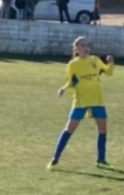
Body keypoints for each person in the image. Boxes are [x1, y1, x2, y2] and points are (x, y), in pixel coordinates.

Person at [48, 37, 114, 170]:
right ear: (76, 48)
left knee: (103, 130)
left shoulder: (95, 60)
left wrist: (111, 63)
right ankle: (55, 159)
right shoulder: (73, 65)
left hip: (97, 100)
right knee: (69, 129)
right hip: (81, 101)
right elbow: (71, 81)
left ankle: (101, 160)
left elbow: (108, 73)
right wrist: (64, 88)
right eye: (83, 45)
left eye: (87, 45)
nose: (86, 47)